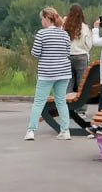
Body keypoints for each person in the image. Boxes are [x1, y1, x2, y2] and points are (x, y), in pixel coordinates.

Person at [25, 7, 72, 141]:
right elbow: (68, 52)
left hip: (47, 72)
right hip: (63, 72)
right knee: (61, 102)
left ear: (46, 18)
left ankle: (31, 131)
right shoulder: (64, 34)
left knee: (39, 102)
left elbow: (35, 53)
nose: (41, 22)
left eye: (42, 19)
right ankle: (65, 130)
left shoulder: (41, 34)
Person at [62, 3, 95, 131]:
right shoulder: (84, 27)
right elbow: (89, 44)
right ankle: (81, 109)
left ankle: (67, 107)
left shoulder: (65, 25)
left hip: (67, 56)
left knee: (69, 83)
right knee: (82, 85)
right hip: (81, 57)